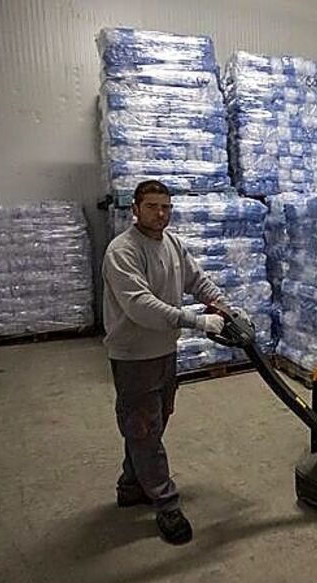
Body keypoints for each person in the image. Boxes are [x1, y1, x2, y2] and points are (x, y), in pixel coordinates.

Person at [102, 179, 228, 545]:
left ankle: (131, 485)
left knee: (151, 424)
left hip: (164, 352)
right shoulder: (122, 250)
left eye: (166, 207)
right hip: (133, 355)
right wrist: (196, 320)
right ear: (136, 209)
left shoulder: (172, 244)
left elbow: (197, 280)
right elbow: (140, 305)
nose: (161, 213)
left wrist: (225, 307)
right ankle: (166, 503)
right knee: (144, 428)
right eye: (153, 206)